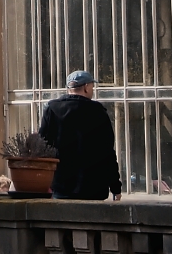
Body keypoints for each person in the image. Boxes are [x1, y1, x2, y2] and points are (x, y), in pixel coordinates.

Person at [39, 70, 123, 199]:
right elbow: (107, 152)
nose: (92, 90)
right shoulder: (98, 112)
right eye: (92, 87)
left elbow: (42, 146)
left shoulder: (52, 109)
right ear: (86, 87)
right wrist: (115, 187)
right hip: (94, 187)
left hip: (61, 185)